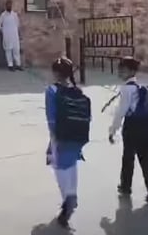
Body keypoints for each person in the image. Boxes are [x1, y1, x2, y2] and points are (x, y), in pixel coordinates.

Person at [44, 57, 91, 228]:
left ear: (56, 73)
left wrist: (53, 143)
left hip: (62, 137)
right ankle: (71, 197)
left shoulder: (52, 91)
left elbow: (51, 120)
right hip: (78, 137)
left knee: (59, 167)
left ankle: (68, 199)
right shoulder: (79, 93)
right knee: (71, 165)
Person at [108, 56, 148, 206]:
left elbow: (121, 112)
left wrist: (112, 130)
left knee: (128, 158)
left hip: (132, 127)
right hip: (145, 126)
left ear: (131, 71)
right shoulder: (139, 87)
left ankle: (125, 187)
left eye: (122, 69)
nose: (120, 71)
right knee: (146, 160)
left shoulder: (126, 88)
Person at [0, 0, 22, 71]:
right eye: (8, 4)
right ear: (6, 6)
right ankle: (10, 65)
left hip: (14, 35)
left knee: (16, 50)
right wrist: (3, 30)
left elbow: (17, 24)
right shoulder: (3, 15)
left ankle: (18, 64)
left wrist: (15, 31)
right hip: (7, 36)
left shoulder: (14, 15)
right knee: (8, 50)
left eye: (10, 4)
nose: (9, 6)